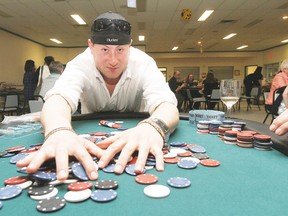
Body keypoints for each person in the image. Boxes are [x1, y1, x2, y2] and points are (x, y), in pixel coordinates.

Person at [17, 11, 179, 181]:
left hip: (138, 131)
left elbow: (167, 105)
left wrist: (153, 127)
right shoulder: (80, 64)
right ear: (91, 46)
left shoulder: (144, 63)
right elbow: (58, 99)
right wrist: (59, 130)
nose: (113, 60)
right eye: (104, 49)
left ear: (130, 46)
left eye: (120, 50)